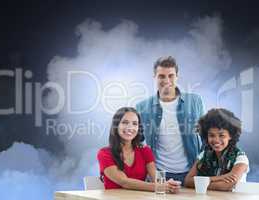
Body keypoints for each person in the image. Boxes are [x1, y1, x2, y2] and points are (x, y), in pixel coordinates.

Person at [136, 56, 204, 184]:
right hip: (159, 174)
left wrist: (197, 168)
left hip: (191, 173)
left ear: (177, 77)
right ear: (154, 78)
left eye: (171, 76)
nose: (167, 80)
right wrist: (152, 173)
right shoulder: (142, 107)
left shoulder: (195, 101)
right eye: (161, 76)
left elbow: (206, 138)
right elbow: (138, 144)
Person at [97, 107, 181, 192]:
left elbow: (157, 179)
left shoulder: (145, 150)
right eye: (125, 122)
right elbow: (124, 182)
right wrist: (158, 187)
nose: (130, 127)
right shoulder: (104, 153)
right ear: (116, 126)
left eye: (134, 124)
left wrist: (168, 185)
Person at [184, 108, 249, 191]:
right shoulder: (204, 155)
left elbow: (226, 186)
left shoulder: (240, 158)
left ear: (231, 136)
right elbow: (187, 181)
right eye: (211, 135)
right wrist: (221, 178)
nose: (216, 140)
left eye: (221, 135)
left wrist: (200, 183)